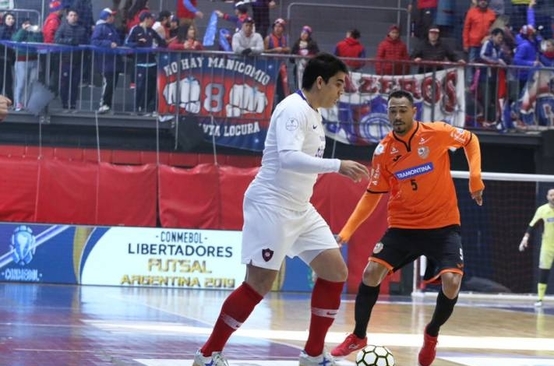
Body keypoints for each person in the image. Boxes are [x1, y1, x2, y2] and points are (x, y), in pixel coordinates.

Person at [192, 53, 370, 366]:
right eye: (339, 83)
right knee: (258, 284)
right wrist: (336, 165)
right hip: (271, 204)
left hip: (300, 208)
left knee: (335, 272)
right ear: (319, 81)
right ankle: (207, 354)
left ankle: (313, 356)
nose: (342, 90)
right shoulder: (292, 108)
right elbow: (287, 157)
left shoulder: (314, 113)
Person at [330, 89, 484, 366]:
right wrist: (345, 232)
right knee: (371, 272)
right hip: (404, 226)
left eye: (403, 110)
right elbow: (372, 195)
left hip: (443, 225)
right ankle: (358, 335)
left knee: (452, 282)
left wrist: (475, 177)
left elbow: (471, 140)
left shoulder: (436, 133)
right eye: (392, 111)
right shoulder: (383, 151)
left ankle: (431, 334)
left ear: (414, 111)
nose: (397, 116)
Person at [91, 8, 122, 114]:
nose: (113, 17)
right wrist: (108, 44)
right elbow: (94, 41)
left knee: (112, 84)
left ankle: (107, 105)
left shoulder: (111, 28)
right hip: (105, 61)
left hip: (113, 60)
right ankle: (103, 104)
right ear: (107, 17)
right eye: (111, 15)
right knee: (108, 83)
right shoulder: (100, 28)